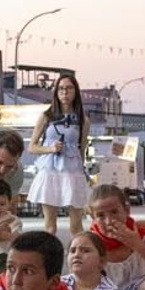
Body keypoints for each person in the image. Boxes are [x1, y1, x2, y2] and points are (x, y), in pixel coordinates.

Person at [27, 74, 90, 239]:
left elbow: (81, 149)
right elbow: (31, 147)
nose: (65, 92)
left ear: (75, 91)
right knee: (50, 226)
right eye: (61, 89)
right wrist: (50, 148)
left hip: (72, 171)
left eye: (69, 88)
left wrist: (83, 172)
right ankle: (49, 259)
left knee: (76, 225)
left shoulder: (83, 120)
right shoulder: (46, 116)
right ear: (56, 92)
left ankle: (79, 257)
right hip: (50, 170)